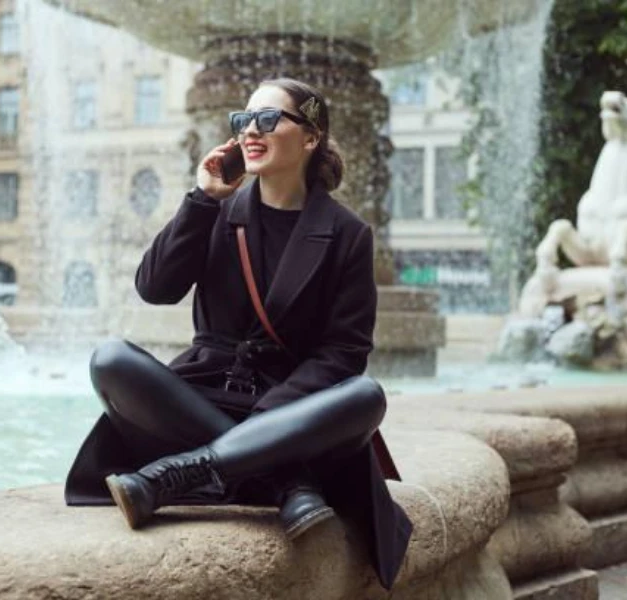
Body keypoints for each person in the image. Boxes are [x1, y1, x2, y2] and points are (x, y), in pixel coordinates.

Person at [65, 77, 412, 590]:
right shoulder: (218, 209)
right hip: (203, 394)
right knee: (111, 360)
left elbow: (344, 354)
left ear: (311, 136)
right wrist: (201, 199)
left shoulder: (347, 234)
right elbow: (154, 288)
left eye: (268, 119)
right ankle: (283, 481)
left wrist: (272, 413)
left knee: (366, 396)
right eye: (243, 119)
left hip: (289, 409)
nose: (251, 130)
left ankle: (178, 472)